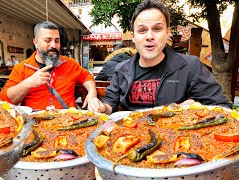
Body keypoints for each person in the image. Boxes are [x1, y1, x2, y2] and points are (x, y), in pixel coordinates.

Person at [88, 0, 232, 115]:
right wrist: (101, 107)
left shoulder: (190, 66)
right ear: (133, 37)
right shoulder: (121, 69)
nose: (149, 36)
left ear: (167, 33)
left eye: (157, 29)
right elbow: (110, 104)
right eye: (142, 30)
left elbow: (222, 107)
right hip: (131, 138)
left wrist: (194, 107)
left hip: (176, 140)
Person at [0, 21, 97, 110]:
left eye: (57, 41)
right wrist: (28, 83)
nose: (54, 45)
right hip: (36, 123)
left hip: (68, 121)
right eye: (48, 40)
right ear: (35, 42)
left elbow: (87, 77)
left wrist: (92, 93)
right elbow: (4, 100)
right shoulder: (22, 68)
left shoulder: (69, 63)